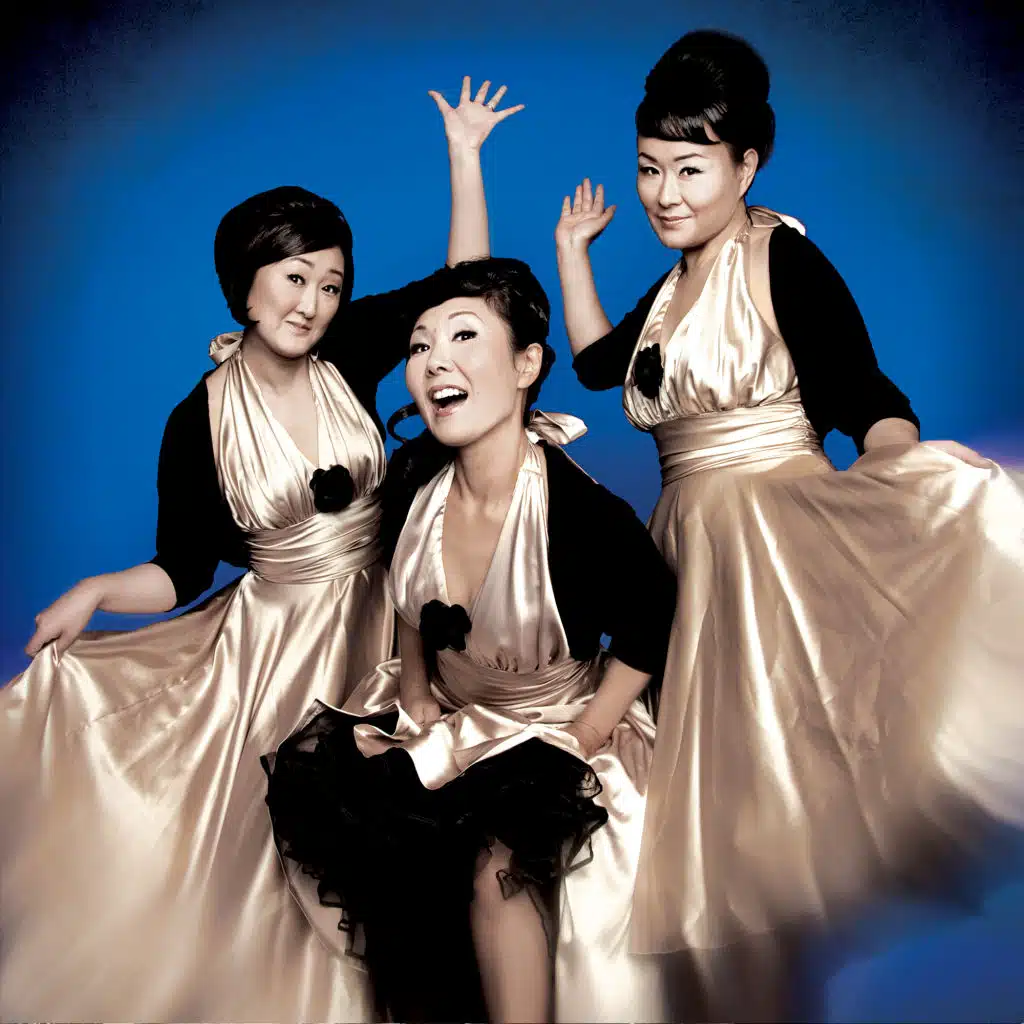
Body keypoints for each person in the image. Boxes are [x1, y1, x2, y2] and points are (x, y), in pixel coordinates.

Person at [0, 77, 522, 1023]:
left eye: (331, 284)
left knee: (425, 835)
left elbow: (466, 295)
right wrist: (95, 590)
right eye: (295, 279)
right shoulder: (194, 421)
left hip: (392, 622)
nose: (315, 303)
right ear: (246, 279)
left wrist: (465, 156)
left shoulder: (350, 352)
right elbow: (181, 570)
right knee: (275, 864)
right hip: (276, 653)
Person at [555, 28, 1024, 1021]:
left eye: (689, 170)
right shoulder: (671, 290)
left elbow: (867, 396)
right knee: (703, 827)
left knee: (765, 824)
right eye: (648, 168)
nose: (663, 193)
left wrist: (893, 485)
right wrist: (570, 253)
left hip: (769, 550)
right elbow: (601, 367)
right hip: (685, 560)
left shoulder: (780, 258)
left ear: (746, 166)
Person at [263, 257, 677, 1023]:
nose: (434, 361)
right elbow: (409, 600)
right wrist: (415, 697)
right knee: (383, 841)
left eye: (463, 337)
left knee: (497, 871)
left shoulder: (582, 515)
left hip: (551, 725)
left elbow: (652, 623)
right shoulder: (414, 486)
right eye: (419, 346)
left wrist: (587, 732)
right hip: (451, 717)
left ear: (526, 366)